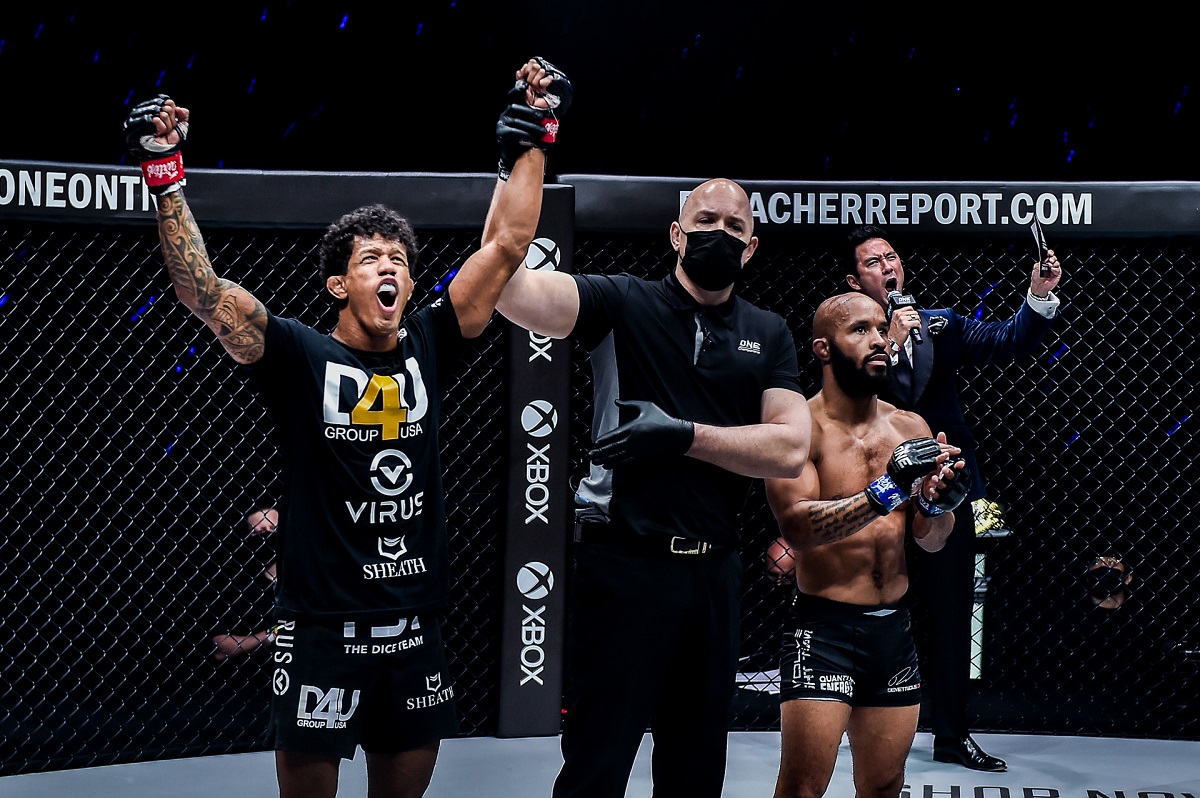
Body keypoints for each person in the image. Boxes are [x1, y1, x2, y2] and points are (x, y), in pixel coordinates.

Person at [123, 56, 571, 798]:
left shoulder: (431, 342)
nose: (389, 266)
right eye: (371, 259)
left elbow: (505, 247)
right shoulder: (300, 354)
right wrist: (164, 172)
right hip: (319, 630)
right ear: (339, 283)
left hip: (413, 625)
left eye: (398, 259)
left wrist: (534, 131)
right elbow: (203, 291)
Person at [496, 178, 812, 797]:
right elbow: (507, 290)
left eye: (735, 227)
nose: (719, 233)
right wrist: (515, 172)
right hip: (625, 564)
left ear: (751, 247)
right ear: (676, 234)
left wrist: (683, 436)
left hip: (714, 573)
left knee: (695, 769)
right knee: (596, 762)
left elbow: (791, 448)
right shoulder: (622, 301)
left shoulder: (768, 331)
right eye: (706, 220)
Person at [843, 223, 1064, 772]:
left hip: (945, 487)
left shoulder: (939, 323)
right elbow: (849, 401)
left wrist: (1037, 295)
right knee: (870, 605)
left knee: (951, 612)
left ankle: (951, 735)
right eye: (873, 262)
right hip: (876, 491)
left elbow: (1007, 341)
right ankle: (853, 722)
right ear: (854, 280)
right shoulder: (847, 334)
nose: (887, 266)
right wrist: (891, 342)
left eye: (892, 257)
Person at [764, 292, 969, 798]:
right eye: (860, 330)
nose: (879, 340)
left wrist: (939, 506)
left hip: (893, 631)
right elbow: (798, 527)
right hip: (824, 630)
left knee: (884, 785)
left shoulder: (910, 427)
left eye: (881, 328)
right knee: (802, 787)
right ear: (823, 348)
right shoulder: (800, 430)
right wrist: (888, 489)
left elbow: (931, 541)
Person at [212, 503, 280, 662]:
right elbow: (221, 647)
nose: (268, 536)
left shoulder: (309, 580)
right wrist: (274, 634)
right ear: (248, 539)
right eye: (260, 532)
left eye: (274, 529)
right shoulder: (238, 588)